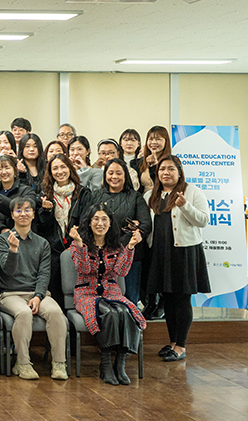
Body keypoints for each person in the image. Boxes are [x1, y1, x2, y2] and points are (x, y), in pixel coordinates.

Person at [144, 155, 210, 363]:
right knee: (168, 299)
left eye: (171, 169)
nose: (166, 173)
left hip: (184, 252)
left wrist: (185, 206)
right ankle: (172, 342)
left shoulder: (192, 192)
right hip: (161, 253)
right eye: (162, 169)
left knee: (182, 299)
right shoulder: (151, 195)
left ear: (179, 171)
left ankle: (181, 345)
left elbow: (203, 220)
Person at [70, 204, 146, 385]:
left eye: (104, 219)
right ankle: (105, 364)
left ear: (111, 223)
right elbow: (84, 269)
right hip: (87, 293)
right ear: (88, 223)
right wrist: (80, 245)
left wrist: (130, 247)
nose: (100, 223)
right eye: (95, 219)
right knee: (110, 313)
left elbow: (121, 271)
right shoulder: (78, 244)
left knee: (126, 313)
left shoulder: (117, 246)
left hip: (112, 292)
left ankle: (120, 364)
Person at [0, 197, 68, 380]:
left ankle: (59, 363)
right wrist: (13, 250)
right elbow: (7, 271)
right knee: (24, 313)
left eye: (27, 210)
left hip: (36, 293)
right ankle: (23, 363)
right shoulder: (2, 239)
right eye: (18, 211)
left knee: (56, 312)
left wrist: (38, 296)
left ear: (34, 214)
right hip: (10, 293)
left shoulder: (42, 243)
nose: (23, 214)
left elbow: (44, 274)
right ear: (12, 215)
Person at [90, 159, 152, 305]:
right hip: (102, 256)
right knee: (105, 299)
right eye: (110, 173)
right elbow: (89, 222)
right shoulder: (96, 196)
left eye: (119, 173)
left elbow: (145, 225)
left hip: (131, 256)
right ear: (105, 175)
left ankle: (133, 327)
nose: (114, 177)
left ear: (126, 176)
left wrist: (120, 243)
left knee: (131, 298)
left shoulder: (135, 196)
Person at [37, 153, 91, 306]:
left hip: (76, 247)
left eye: (63, 167)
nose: (59, 171)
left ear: (70, 168)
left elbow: (86, 221)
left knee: (76, 291)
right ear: (50, 172)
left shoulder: (83, 193)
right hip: (53, 250)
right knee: (55, 293)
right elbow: (42, 228)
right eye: (55, 168)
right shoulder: (45, 194)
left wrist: (75, 241)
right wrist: (46, 211)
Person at [0, 155, 36, 243]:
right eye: (0, 169)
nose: (4, 172)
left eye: (7, 168)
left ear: (15, 169)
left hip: (24, 238)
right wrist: (2, 230)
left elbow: (26, 210)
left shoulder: (26, 190)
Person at [137, 125, 172, 192]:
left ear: (166, 142)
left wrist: (155, 166)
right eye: (151, 139)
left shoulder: (172, 162)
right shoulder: (140, 162)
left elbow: (164, 185)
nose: (153, 142)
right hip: (143, 201)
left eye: (158, 139)